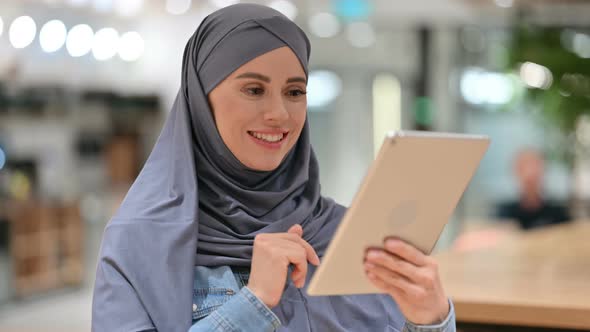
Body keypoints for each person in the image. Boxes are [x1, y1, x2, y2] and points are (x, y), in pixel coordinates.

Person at [91, 4, 455, 332]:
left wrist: (431, 320)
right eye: (253, 89)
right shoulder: (140, 241)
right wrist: (254, 302)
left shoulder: (343, 234)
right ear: (202, 100)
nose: (279, 114)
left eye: (294, 92)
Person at [497, 149, 571, 230]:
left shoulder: (558, 212)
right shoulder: (505, 214)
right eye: (523, 167)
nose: (530, 173)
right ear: (516, 172)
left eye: (535, 166)